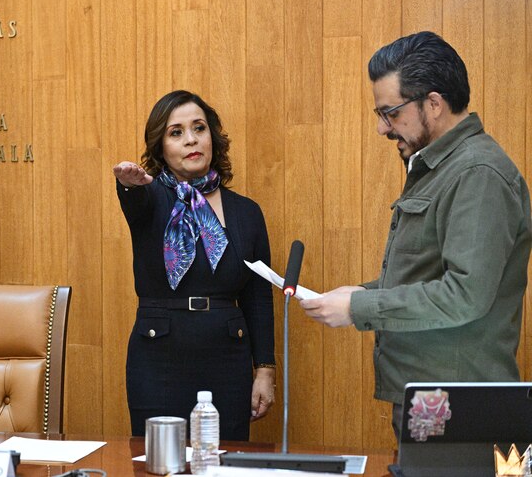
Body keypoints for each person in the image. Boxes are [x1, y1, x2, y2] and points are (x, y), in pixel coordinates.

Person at [299, 31, 532, 439]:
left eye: (390, 113)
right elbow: (429, 275)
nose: (381, 128)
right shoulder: (442, 167)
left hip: (461, 405)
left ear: (434, 104)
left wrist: (361, 307)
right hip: (434, 398)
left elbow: (465, 295)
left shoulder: (478, 174)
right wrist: (360, 292)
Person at [113, 90, 275, 441]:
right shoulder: (150, 196)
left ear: (212, 137)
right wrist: (127, 185)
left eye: (198, 128)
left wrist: (264, 371)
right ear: (161, 148)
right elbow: (134, 199)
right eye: (176, 132)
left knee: (223, 465)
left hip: (227, 357)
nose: (190, 140)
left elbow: (258, 298)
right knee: (156, 463)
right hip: (158, 357)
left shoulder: (247, 212)